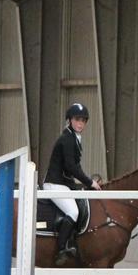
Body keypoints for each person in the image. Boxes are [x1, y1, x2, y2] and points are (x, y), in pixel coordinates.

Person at [43, 103, 101, 266]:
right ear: (69, 120)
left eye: (83, 120)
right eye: (77, 120)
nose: (80, 123)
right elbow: (71, 166)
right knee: (73, 212)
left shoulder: (74, 138)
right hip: (54, 184)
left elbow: (75, 167)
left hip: (64, 183)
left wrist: (86, 184)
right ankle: (61, 249)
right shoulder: (67, 139)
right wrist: (89, 182)